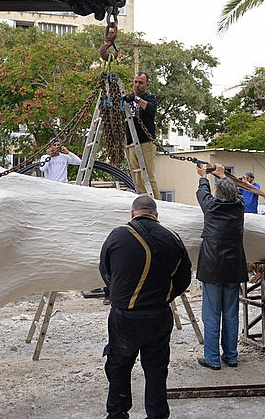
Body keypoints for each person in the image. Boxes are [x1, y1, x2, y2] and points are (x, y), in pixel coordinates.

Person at [99, 195, 192, 419]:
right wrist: (165, 297)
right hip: (159, 315)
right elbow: (184, 279)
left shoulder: (117, 235)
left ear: (132, 214)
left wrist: (121, 294)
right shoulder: (173, 238)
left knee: (119, 367)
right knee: (157, 370)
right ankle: (157, 415)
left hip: (124, 316)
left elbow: (105, 270)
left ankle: (117, 413)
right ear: (156, 215)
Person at [194, 163, 247, 370]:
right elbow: (236, 192)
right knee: (231, 314)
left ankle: (213, 358)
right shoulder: (240, 207)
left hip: (212, 268)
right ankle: (231, 356)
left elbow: (202, 193)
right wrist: (223, 175)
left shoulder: (211, 207)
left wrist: (202, 176)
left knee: (212, 314)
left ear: (218, 194)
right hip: (234, 268)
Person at [124, 71, 160, 199]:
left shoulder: (150, 98)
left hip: (146, 142)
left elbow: (150, 109)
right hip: (131, 142)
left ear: (146, 84)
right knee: (137, 176)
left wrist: (136, 99)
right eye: (135, 82)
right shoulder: (126, 99)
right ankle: (143, 200)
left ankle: (157, 203)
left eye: (141, 82)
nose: (137, 85)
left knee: (148, 176)